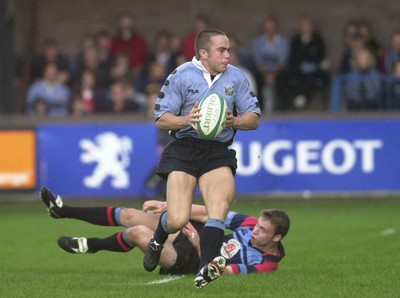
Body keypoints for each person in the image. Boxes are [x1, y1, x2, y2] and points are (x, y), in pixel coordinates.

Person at [146, 29, 261, 289]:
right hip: (184, 148)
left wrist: (236, 120)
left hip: (217, 151)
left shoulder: (237, 77)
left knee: (219, 205)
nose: (228, 55)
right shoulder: (181, 75)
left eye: (229, 50)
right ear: (203, 53)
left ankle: (206, 268)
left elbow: (253, 118)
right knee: (177, 218)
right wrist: (187, 119)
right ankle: (158, 237)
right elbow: (161, 118)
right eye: (222, 50)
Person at [39, 187, 290, 276]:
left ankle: (92, 245)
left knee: (138, 232)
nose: (255, 230)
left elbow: (220, 272)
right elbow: (206, 213)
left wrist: (198, 245)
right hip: (197, 236)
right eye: (257, 224)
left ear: (276, 238)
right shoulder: (247, 224)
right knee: (130, 215)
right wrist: (172, 206)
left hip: (194, 260)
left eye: (262, 230)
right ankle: (64, 211)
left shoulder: (266, 263)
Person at [251, 16, 289, 112]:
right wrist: (266, 73)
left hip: (278, 71)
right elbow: (257, 59)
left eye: (271, 27)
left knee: (284, 79)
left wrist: (273, 74)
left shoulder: (283, 42)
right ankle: (260, 109)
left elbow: (282, 60)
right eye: (267, 28)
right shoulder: (258, 42)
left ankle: (282, 110)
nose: (270, 30)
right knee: (257, 80)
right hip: (262, 72)